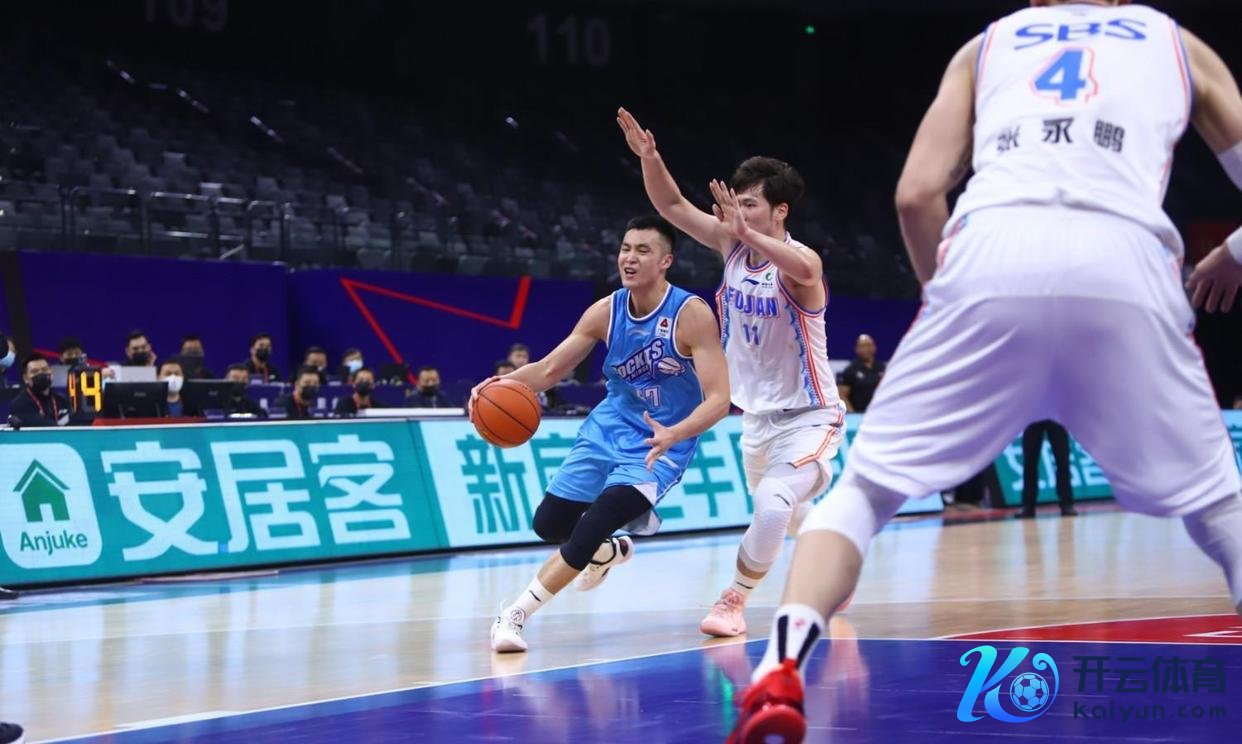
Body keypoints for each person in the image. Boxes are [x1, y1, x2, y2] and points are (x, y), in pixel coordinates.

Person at [732, 2, 1242, 741]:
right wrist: (1231, 253)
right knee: (1222, 507)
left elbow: (916, 196)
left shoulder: (987, 45)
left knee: (865, 494)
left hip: (990, 253)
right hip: (1123, 262)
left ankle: (779, 667)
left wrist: (950, 298)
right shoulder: (1176, 42)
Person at [619, 109, 846, 638]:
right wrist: (650, 158)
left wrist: (745, 233)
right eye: (736, 202)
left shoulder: (801, 262)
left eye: (750, 204)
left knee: (773, 504)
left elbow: (808, 270)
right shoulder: (734, 246)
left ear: (780, 210)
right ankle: (833, 568)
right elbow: (672, 206)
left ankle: (733, 601)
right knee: (785, 513)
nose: (737, 212)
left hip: (811, 416)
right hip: (756, 421)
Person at [482, 215, 730, 653]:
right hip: (608, 428)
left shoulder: (691, 315)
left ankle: (513, 616)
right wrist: (494, 387)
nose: (629, 258)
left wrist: (675, 434)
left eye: (643, 251)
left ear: (666, 261)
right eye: (625, 248)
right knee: (549, 524)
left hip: (658, 443)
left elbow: (719, 400)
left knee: (597, 519)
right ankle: (608, 551)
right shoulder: (605, 311)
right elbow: (548, 370)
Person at [1016, 420, 1077, 518]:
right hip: (1034, 415)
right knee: (1029, 461)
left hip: (1055, 415)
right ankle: (1028, 505)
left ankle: (1067, 503)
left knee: (1062, 459)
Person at [10, 353, 68, 427]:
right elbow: (39, 425)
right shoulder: (20, 404)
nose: (41, 373)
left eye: (45, 369)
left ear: (51, 372)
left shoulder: (62, 400)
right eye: (35, 371)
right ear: (25, 378)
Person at [837, 334, 886, 413]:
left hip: (879, 413)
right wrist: (852, 414)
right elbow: (842, 395)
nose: (866, 349)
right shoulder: (850, 370)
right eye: (862, 346)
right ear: (856, 349)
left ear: (874, 348)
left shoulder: (882, 368)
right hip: (858, 415)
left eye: (868, 345)